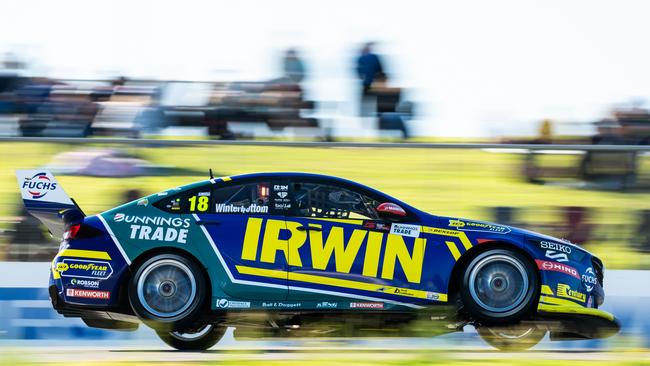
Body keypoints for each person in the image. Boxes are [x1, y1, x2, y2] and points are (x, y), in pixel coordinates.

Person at [356, 42, 384, 116]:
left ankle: (364, 113)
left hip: (368, 82)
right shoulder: (373, 57)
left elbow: (359, 71)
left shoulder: (361, 58)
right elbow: (380, 69)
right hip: (373, 82)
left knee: (366, 99)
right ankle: (374, 113)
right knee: (374, 99)